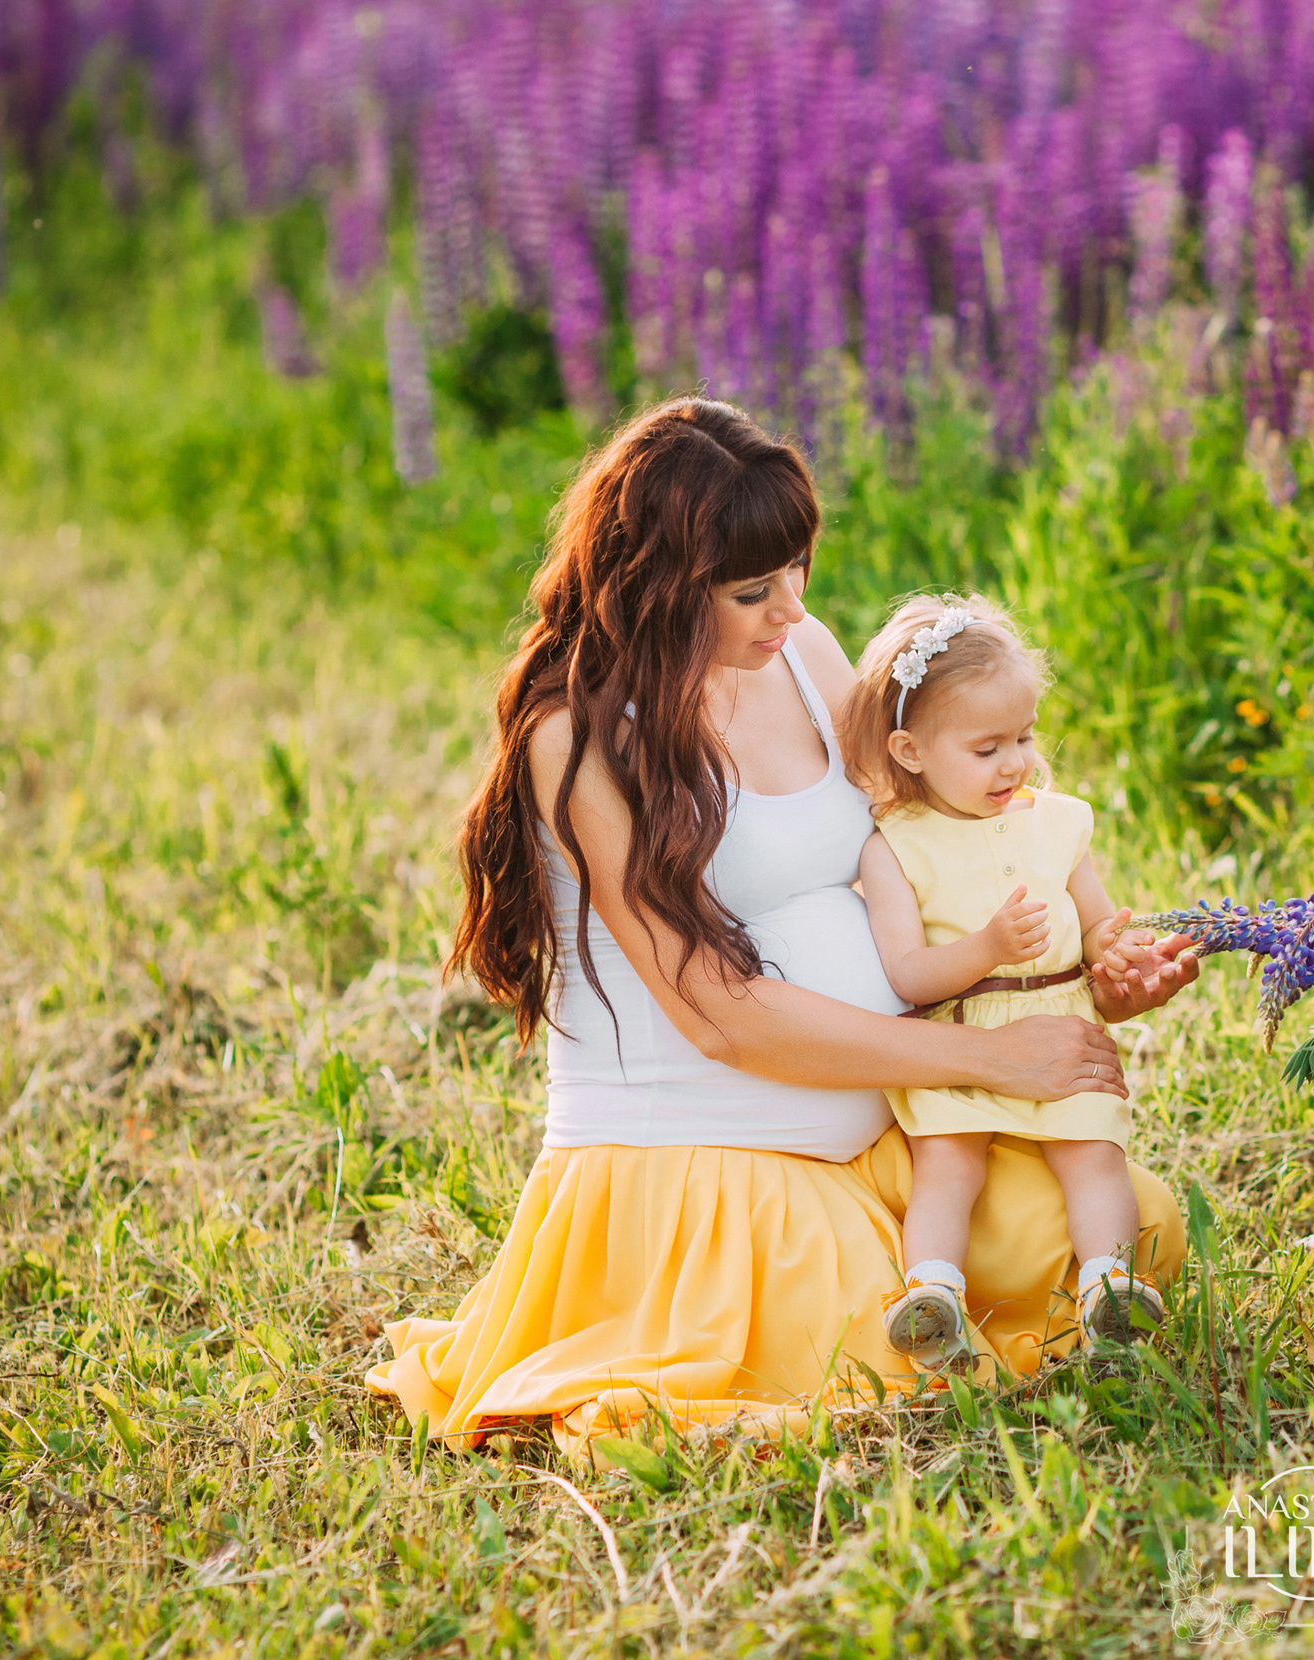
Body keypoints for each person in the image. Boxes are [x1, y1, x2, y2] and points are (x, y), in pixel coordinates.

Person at [363, 398, 1200, 1456]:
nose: (789, 607)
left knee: (1136, 1222)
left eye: (797, 569)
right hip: (705, 1171)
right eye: (751, 589)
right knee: (866, 1373)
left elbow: (920, 848)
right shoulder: (578, 738)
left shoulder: (800, 656)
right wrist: (989, 1059)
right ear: (659, 585)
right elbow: (721, 1017)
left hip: (878, 1136)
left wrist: (1084, 965)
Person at [840, 595, 1166, 1374]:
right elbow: (908, 972)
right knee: (949, 1160)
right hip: (961, 1036)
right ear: (910, 751)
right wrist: (986, 946)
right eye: (987, 747)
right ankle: (934, 1293)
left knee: (1094, 1155)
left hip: (1063, 1019)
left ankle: (1108, 1289)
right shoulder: (894, 847)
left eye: (1023, 737)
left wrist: (1116, 954)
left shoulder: (1057, 823)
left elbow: (1096, 924)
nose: (1015, 762)